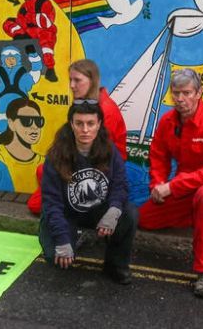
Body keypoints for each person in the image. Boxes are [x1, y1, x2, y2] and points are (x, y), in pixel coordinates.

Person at [138, 69, 203, 298]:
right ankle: (201, 215)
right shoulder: (168, 121)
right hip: (187, 186)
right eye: (176, 93)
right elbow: (158, 156)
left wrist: (172, 187)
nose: (180, 99)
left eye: (186, 93)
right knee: (145, 219)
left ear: (199, 93)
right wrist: (157, 184)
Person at [39, 100, 137, 285]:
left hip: (97, 210)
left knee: (129, 213)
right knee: (55, 258)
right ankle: (71, 236)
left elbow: (120, 185)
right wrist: (62, 239)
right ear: (71, 124)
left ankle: (115, 264)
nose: (85, 129)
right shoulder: (56, 155)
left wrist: (113, 211)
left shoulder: (110, 150)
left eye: (90, 123)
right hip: (67, 212)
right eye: (79, 123)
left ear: (99, 124)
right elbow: (51, 202)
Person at [27, 58, 127, 215]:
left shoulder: (106, 111)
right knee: (43, 171)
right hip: (81, 161)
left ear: (92, 81)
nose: (72, 85)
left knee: (36, 203)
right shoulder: (85, 103)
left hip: (99, 169)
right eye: (71, 80)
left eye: (77, 80)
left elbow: (101, 156)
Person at [0, 98, 45, 194]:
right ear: (11, 124)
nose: (34, 126)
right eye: (26, 121)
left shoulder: (44, 162)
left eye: (38, 121)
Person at [2, 0, 58, 81]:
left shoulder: (44, 3)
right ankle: (20, 35)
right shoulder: (25, 6)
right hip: (28, 31)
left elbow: (46, 22)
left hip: (43, 31)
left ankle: (50, 69)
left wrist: (29, 17)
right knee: (8, 23)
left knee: (46, 44)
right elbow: (20, 19)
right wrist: (21, 27)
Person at [0, 45, 42, 134]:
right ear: (3, 60)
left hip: (21, 112)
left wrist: (33, 55)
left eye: (13, 58)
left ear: (17, 59)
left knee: (21, 133)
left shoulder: (23, 74)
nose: (10, 61)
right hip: (3, 112)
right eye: (8, 59)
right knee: (1, 135)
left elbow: (36, 73)